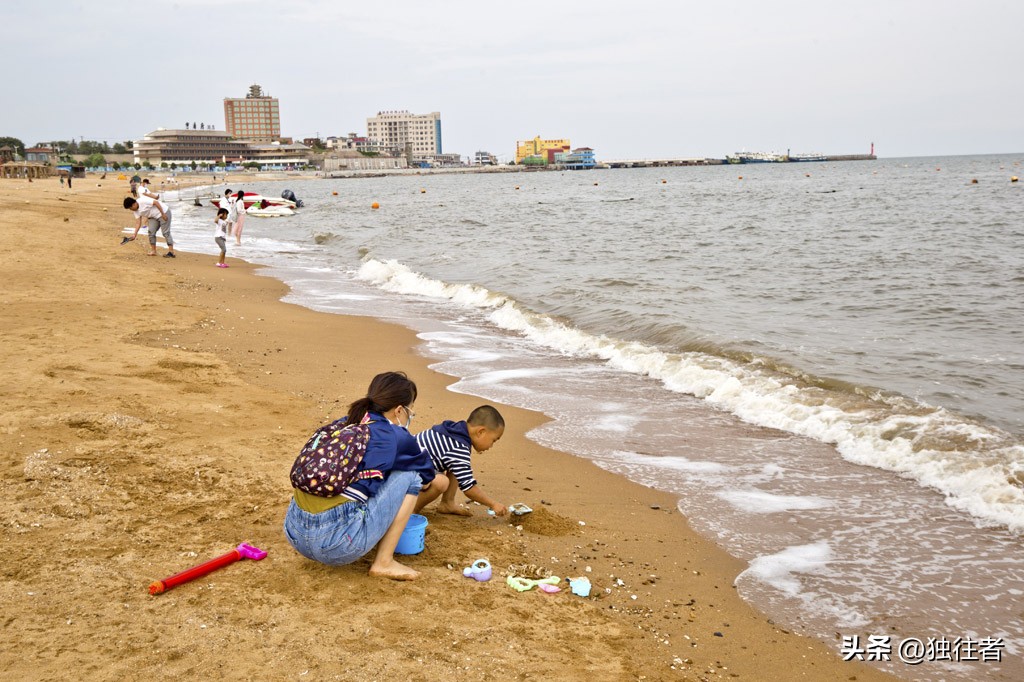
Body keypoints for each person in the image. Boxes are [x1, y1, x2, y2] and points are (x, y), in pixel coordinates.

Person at [283, 371, 435, 580]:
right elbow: (426, 473)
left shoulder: (342, 424)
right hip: (338, 544)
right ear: (400, 410)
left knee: (363, 478)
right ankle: (384, 562)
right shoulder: (396, 436)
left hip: (295, 533)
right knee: (411, 477)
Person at [414, 405, 507, 517]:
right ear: (481, 432)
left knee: (457, 467)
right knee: (441, 482)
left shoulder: (454, 431)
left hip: (410, 465)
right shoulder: (459, 447)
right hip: (404, 472)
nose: (491, 446)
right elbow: (469, 488)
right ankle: (411, 510)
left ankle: (447, 502)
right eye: (493, 440)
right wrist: (493, 504)